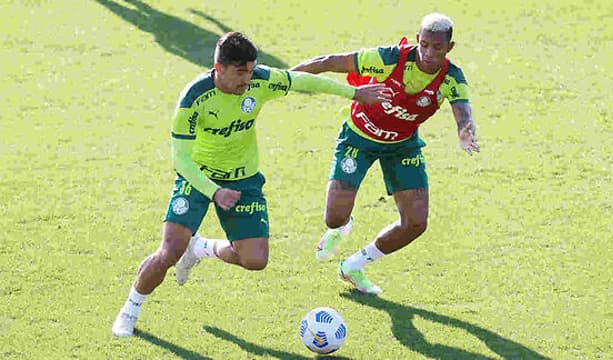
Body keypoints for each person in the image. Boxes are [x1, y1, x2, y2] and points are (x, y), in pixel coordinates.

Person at [112, 31, 391, 337]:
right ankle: (130, 310)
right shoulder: (194, 98)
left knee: (255, 260)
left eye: (251, 70)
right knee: (168, 252)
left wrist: (355, 94)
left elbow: (303, 81)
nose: (247, 79)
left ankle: (201, 248)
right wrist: (214, 191)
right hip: (199, 178)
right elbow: (181, 160)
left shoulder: (260, 80)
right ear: (219, 68)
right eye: (240, 72)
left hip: (244, 179)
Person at [290, 13, 480, 295]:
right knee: (333, 218)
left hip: (402, 146)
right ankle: (342, 228)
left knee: (416, 223)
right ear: (417, 40)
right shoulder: (388, 58)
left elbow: (463, 110)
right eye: (424, 45)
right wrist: (282, 79)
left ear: (449, 47)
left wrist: (465, 130)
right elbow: (329, 62)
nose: (428, 53)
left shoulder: (451, 78)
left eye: (437, 47)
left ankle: (353, 265)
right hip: (359, 138)